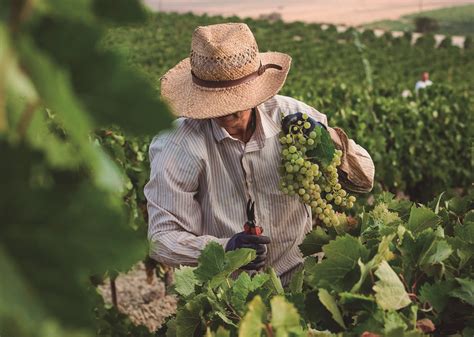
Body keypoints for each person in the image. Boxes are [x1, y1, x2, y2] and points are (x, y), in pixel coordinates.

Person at [144, 23, 375, 285]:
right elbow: (161, 239)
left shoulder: (294, 118)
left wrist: (327, 138)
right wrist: (224, 249)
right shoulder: (178, 143)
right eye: (216, 104)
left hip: (297, 279)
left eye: (237, 101)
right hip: (225, 295)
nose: (229, 112)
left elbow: (364, 180)